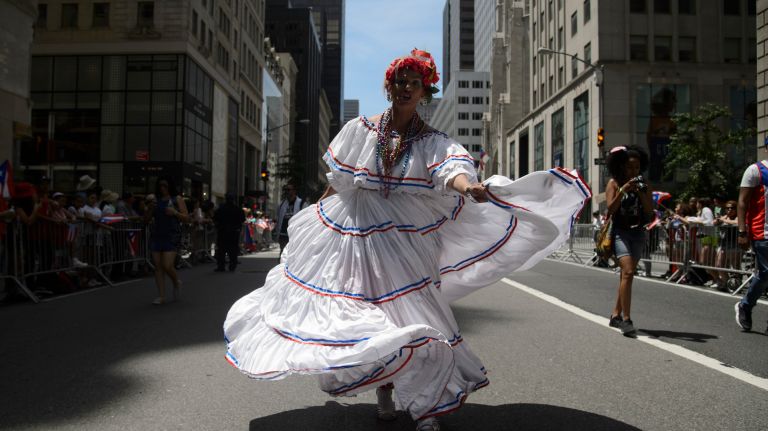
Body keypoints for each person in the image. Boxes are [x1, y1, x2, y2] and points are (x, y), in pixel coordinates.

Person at [223, 49, 590, 431]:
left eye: (415, 84)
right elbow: (340, 184)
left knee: (418, 314)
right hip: (359, 235)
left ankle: (428, 406)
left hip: (406, 238)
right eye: (400, 81)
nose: (406, 89)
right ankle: (385, 388)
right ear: (389, 86)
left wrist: (470, 188)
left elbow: (451, 171)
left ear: (423, 91)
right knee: (371, 316)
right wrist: (312, 221)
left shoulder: (432, 141)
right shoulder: (361, 130)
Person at [605, 145, 653, 336]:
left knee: (626, 275)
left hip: (638, 233)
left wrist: (641, 193)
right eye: (629, 167)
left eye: (637, 167)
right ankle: (627, 319)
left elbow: (649, 210)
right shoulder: (614, 183)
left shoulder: (643, 185)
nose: (633, 171)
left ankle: (615, 315)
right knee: (629, 271)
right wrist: (623, 190)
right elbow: (610, 208)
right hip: (619, 233)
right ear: (621, 167)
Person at [735, 158, 768, 332]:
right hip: (762, 232)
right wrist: (742, 231)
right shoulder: (756, 170)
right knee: (766, 273)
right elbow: (742, 202)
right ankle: (745, 306)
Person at [145, 177, 188, 305]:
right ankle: (161, 296)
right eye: (160, 185)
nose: (162, 188)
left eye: (165, 185)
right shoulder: (155, 201)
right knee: (158, 267)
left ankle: (176, 281)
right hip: (157, 235)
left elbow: (186, 218)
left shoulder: (177, 199)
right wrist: (150, 209)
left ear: (169, 186)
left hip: (171, 236)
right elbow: (145, 220)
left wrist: (175, 212)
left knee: (167, 265)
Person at [214, 193, 245, 272]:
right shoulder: (237, 209)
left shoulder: (221, 209)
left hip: (222, 232)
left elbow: (215, 218)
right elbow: (242, 219)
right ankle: (232, 265)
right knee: (233, 249)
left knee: (221, 250)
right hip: (234, 232)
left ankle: (221, 266)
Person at [713, 200, 740, 292]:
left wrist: (724, 220)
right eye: (727, 208)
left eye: (732, 208)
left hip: (734, 244)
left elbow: (737, 223)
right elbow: (713, 223)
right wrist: (718, 219)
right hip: (723, 243)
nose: (729, 210)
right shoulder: (725, 216)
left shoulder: (738, 216)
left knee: (734, 266)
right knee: (719, 265)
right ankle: (728, 283)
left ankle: (736, 285)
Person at [275, 183, 307, 253]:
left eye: (288, 190)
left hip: (295, 234)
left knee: (294, 254)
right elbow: (278, 219)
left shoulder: (302, 204)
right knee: (283, 254)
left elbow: (306, 219)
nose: (286, 191)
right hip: (283, 235)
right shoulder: (281, 204)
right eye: (285, 190)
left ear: (294, 191)